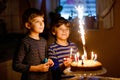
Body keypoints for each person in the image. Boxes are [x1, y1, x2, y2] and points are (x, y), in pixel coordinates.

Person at [12, 8, 54, 80]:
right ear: (28, 25)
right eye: (37, 21)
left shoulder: (44, 41)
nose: (42, 24)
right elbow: (16, 65)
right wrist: (36, 68)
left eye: (42, 21)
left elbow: (45, 58)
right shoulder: (25, 42)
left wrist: (49, 61)